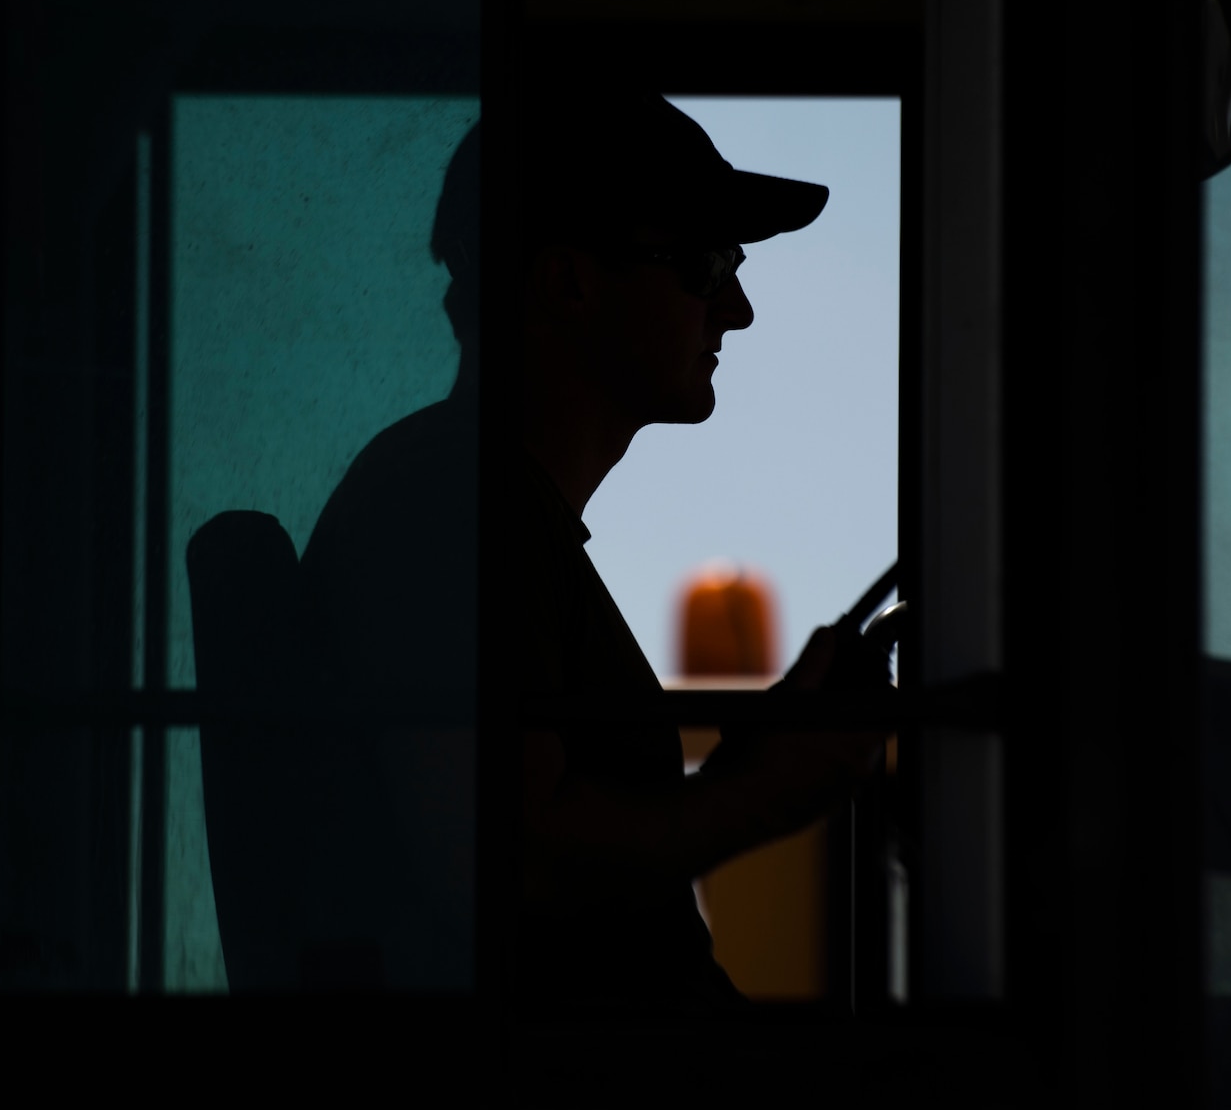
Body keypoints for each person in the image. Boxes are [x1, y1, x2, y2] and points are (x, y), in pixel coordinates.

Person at [297, 82, 887, 1005]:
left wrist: (744, 765)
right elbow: (508, 865)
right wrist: (766, 791)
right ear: (568, 282)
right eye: (701, 262)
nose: (737, 309)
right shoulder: (443, 507)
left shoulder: (474, 504)